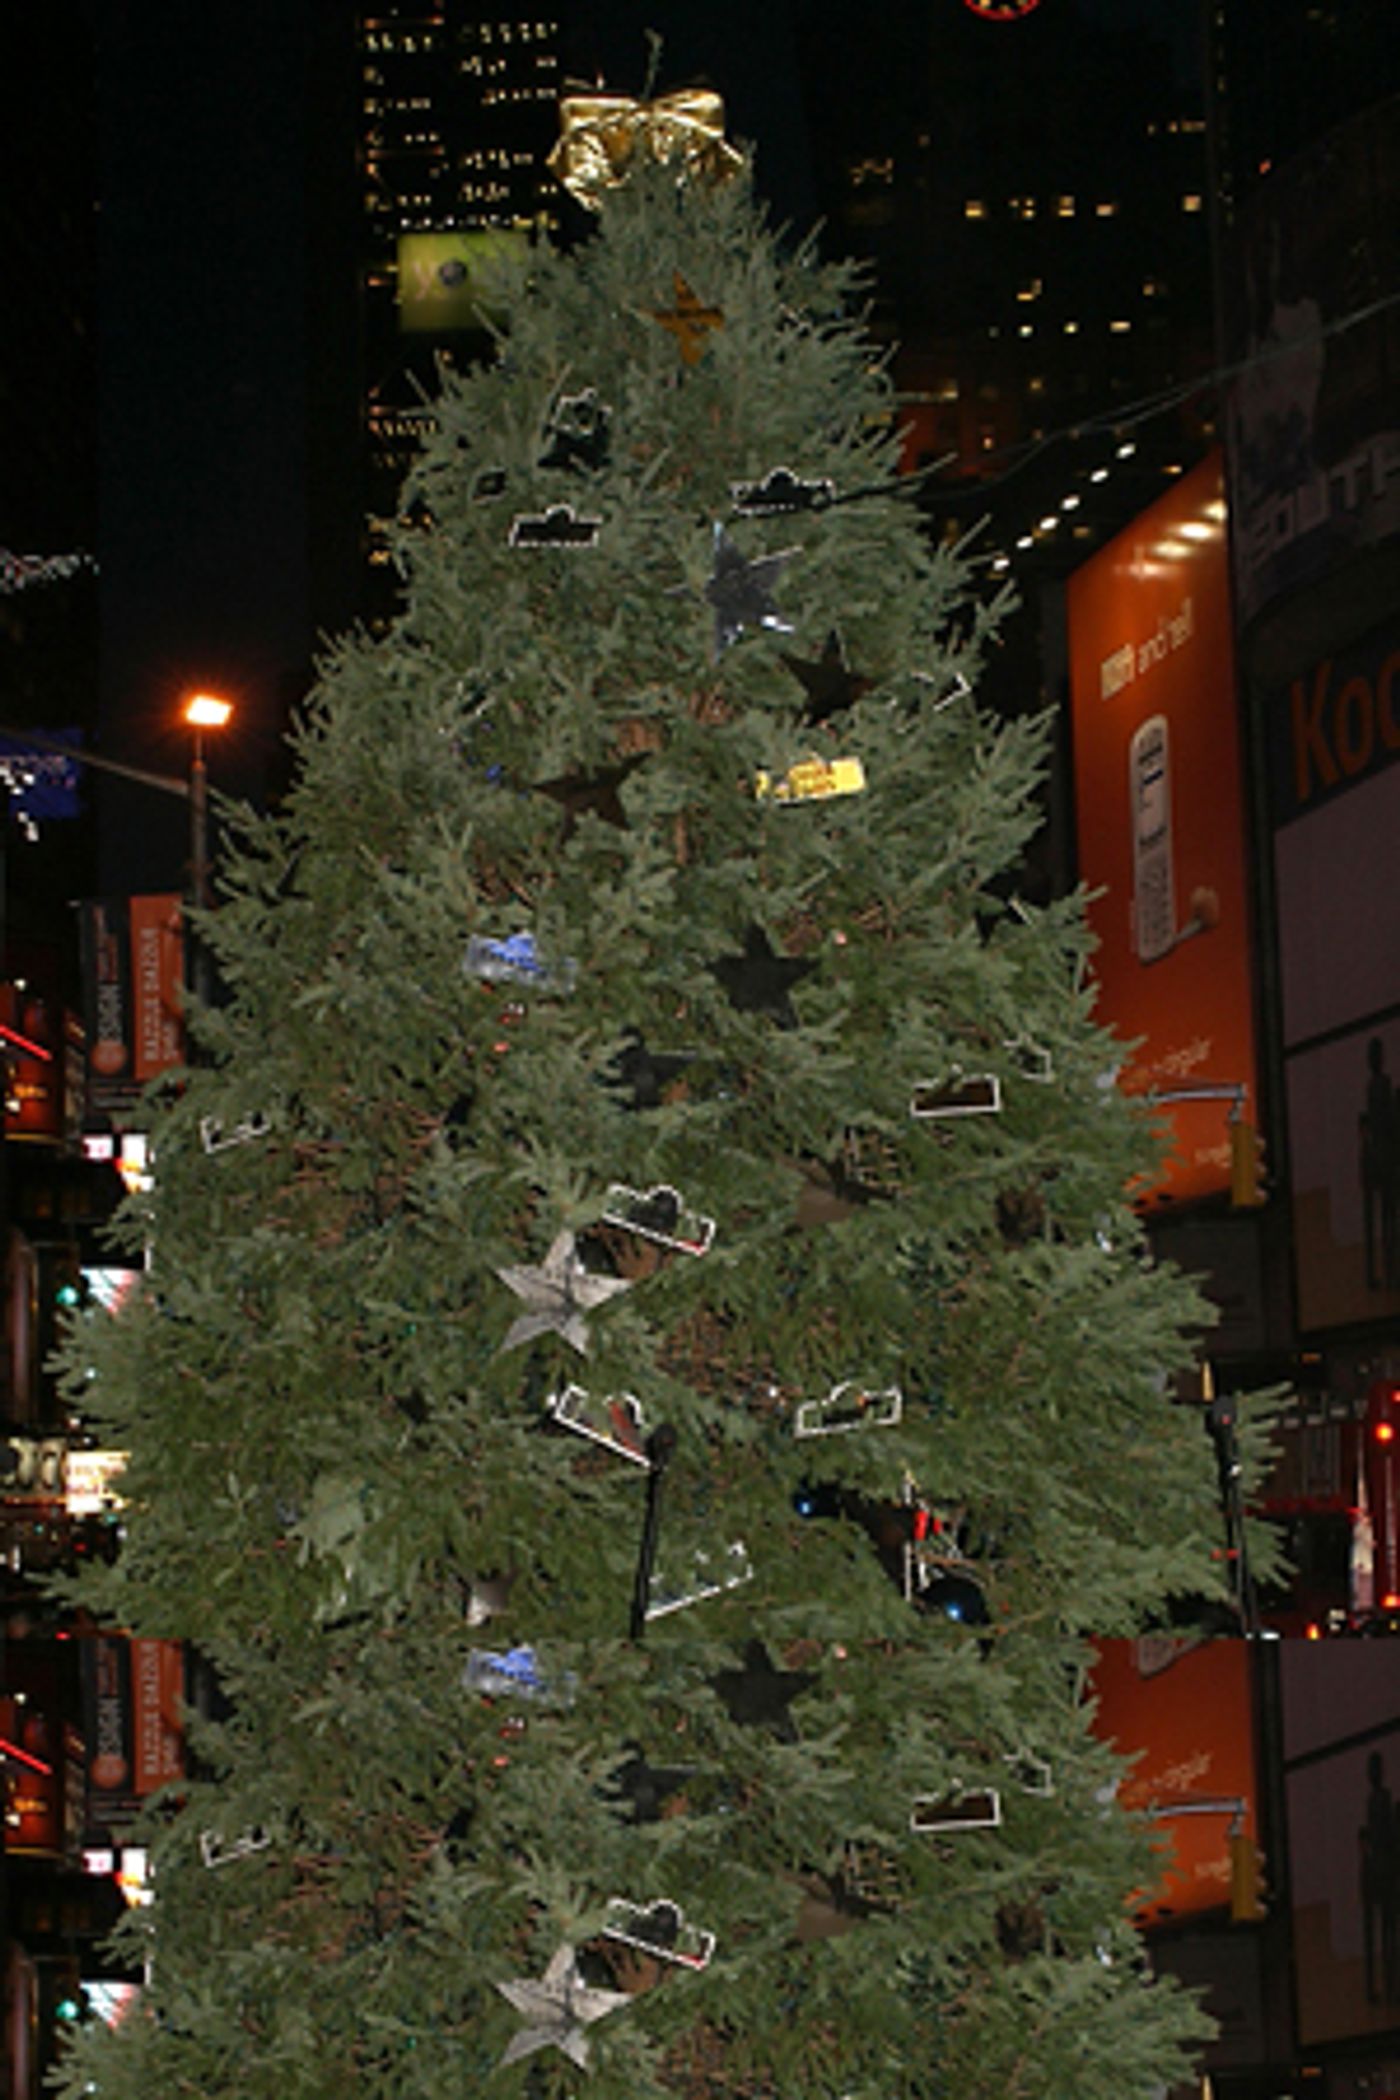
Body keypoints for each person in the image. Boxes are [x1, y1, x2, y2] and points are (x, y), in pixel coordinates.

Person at [1359, 1749, 1397, 2003]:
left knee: (1388, 1930)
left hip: (1383, 1872)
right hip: (1377, 1871)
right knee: (1383, 1930)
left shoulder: (1382, 1799)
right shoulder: (1375, 1799)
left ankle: (1392, 1987)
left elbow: (1385, 1835)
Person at [1360, 1037, 1398, 1291]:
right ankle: (1389, 1274)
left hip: (1380, 1159)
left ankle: (1390, 1274)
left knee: (1387, 1219)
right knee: (1386, 1218)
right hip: (1382, 1161)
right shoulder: (1379, 1087)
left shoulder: (1379, 1086)